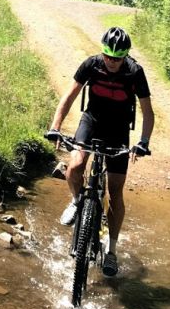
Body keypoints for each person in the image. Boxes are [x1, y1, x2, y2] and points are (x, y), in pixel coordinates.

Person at [48, 26, 154, 278]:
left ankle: (111, 251)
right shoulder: (91, 65)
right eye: (108, 56)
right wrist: (55, 127)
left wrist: (144, 142)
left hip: (118, 130)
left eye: (117, 58)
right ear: (102, 52)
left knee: (115, 189)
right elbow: (69, 97)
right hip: (92, 121)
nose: (111, 62)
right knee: (74, 166)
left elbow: (148, 112)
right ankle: (76, 202)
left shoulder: (135, 72)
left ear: (125, 56)